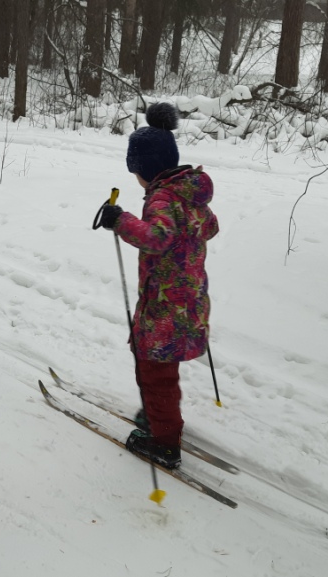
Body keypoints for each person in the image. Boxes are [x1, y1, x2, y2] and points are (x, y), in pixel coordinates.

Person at [97, 102, 219, 470]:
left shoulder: (163, 198)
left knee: (155, 372)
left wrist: (121, 221)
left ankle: (164, 443)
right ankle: (157, 413)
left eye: (136, 171)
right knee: (157, 366)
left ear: (147, 169)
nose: (136, 177)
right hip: (188, 301)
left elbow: (158, 237)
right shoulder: (188, 193)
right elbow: (210, 226)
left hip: (166, 306)